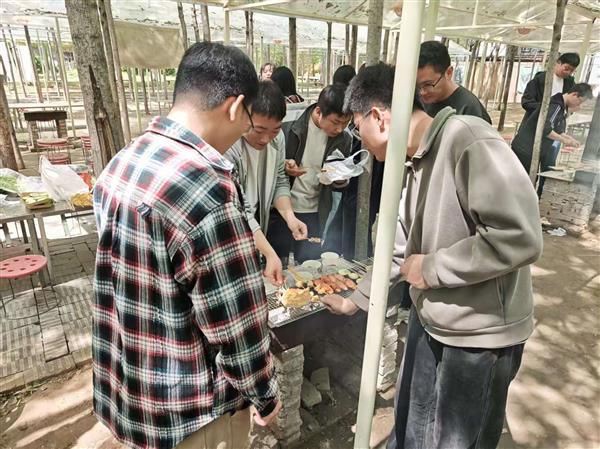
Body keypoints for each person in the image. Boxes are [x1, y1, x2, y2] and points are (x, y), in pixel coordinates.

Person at [322, 63, 543, 449]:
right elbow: (398, 249)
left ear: (378, 117)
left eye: (357, 127)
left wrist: (432, 267)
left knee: (456, 441)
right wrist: (354, 300)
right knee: (412, 427)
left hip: (478, 337)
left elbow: (519, 237)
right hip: (431, 321)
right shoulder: (412, 163)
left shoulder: (468, 140)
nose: (361, 141)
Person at [92, 42, 281, 449]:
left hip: (133, 395)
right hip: (193, 413)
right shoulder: (206, 187)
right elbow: (235, 322)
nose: (245, 133)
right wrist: (264, 393)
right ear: (235, 107)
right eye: (249, 121)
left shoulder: (123, 162)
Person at [225, 81, 308, 284]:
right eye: (259, 129)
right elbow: (239, 209)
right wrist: (270, 252)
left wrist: (290, 218)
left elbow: (280, 180)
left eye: (275, 130)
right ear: (244, 116)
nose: (265, 139)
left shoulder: (277, 140)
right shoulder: (230, 145)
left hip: (257, 227)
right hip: (233, 232)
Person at [267, 84, 352, 263]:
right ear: (319, 112)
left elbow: (340, 182)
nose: (340, 129)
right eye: (336, 122)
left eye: (345, 123)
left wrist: (338, 178)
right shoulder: (289, 126)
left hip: (314, 210)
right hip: (283, 207)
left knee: (309, 264)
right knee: (278, 261)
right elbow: (270, 166)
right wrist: (284, 166)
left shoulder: (343, 139)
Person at [512, 82, 593, 196]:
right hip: (525, 148)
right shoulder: (556, 105)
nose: (579, 105)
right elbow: (545, 129)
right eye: (580, 101)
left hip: (533, 150)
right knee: (523, 182)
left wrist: (570, 139)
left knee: (529, 181)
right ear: (574, 94)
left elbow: (557, 129)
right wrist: (564, 140)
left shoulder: (561, 107)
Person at [417, 40, 492, 123]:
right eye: (417, 85)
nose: (422, 92)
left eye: (428, 84)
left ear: (448, 73)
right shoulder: (417, 99)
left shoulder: (470, 110)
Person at [521, 52, 580, 123]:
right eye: (566, 68)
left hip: (557, 123)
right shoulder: (539, 80)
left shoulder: (570, 84)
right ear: (558, 62)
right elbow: (526, 102)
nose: (568, 72)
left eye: (572, 71)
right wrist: (548, 109)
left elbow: (571, 103)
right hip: (535, 122)